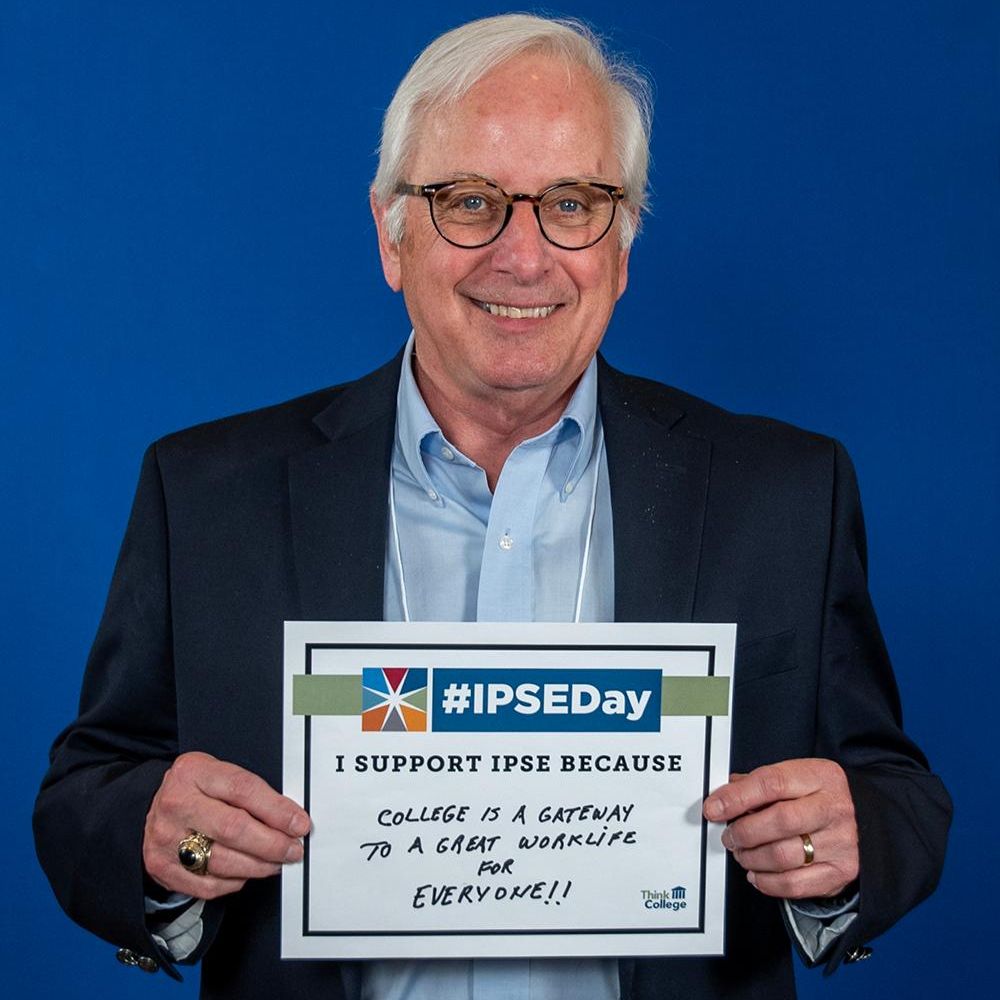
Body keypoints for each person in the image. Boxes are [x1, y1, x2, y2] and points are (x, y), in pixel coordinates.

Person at [34, 13, 950, 1000]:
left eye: (572, 202)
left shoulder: (785, 493)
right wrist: (159, 839)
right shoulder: (209, 494)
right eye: (469, 201)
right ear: (390, 235)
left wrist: (845, 841)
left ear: (622, 248)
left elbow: (892, 794)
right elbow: (90, 791)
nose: (523, 255)